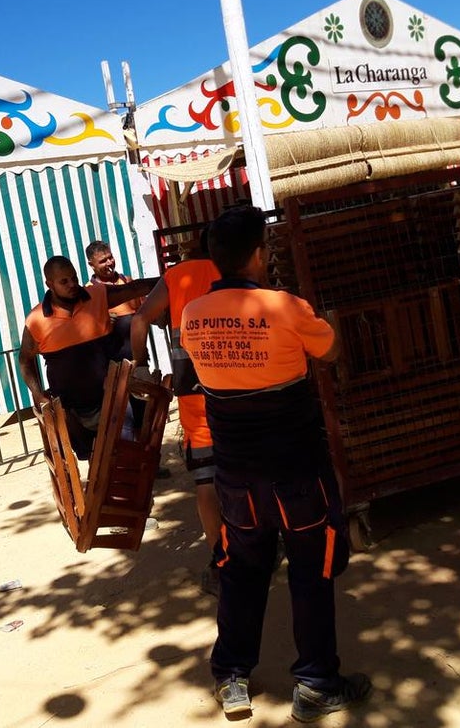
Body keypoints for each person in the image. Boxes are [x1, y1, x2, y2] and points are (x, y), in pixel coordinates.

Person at [180, 206, 371, 722]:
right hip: (297, 474)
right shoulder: (286, 307)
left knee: (242, 570)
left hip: (236, 477)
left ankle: (232, 676)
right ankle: (314, 683)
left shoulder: (192, 315)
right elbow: (329, 352)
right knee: (311, 569)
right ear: (260, 254)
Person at [130, 230, 222, 590]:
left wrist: (139, 364)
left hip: (193, 392)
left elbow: (140, 320)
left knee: (206, 480)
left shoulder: (177, 275)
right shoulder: (232, 271)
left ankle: (220, 560)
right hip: (236, 389)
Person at [19, 255, 154, 460]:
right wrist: (38, 395)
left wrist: (167, 278)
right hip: (72, 410)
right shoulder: (36, 319)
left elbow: (134, 289)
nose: (73, 284)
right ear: (49, 284)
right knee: (95, 461)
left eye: (74, 277)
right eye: (64, 281)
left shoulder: (97, 296)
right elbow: (25, 361)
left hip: (112, 400)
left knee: (123, 456)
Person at [85, 240, 144, 361]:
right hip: (110, 364)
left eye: (110, 257)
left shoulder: (127, 282)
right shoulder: (88, 292)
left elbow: (145, 313)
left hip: (139, 360)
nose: (109, 263)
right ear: (91, 265)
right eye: (103, 261)